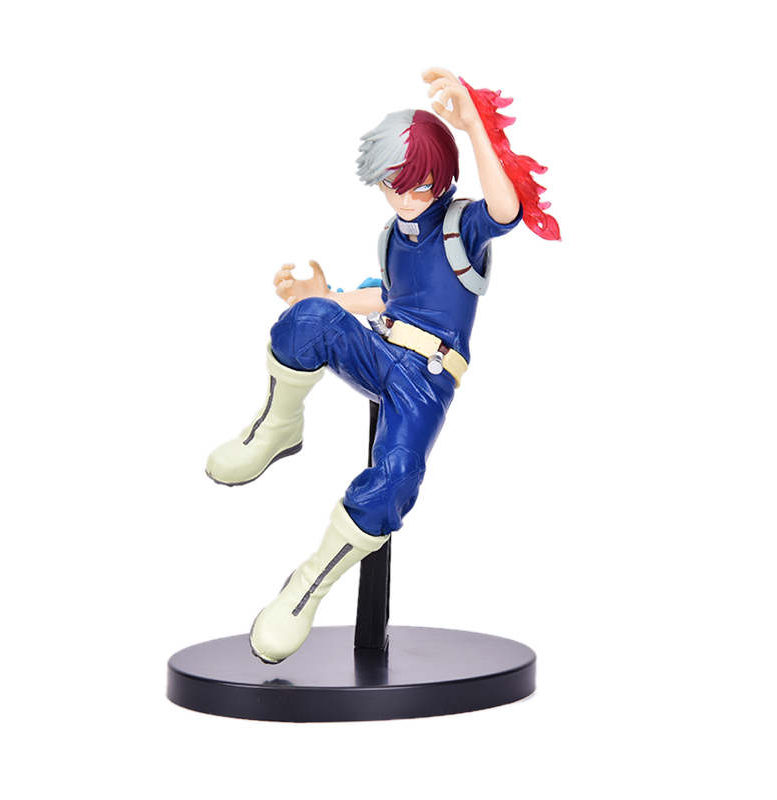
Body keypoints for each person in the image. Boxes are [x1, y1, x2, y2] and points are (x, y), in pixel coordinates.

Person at [206, 67, 555, 664]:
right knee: (308, 318)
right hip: (381, 350)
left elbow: (505, 209)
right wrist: (323, 298)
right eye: (393, 185)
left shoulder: (462, 226)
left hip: (426, 380)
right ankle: (277, 428)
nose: (406, 197)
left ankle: (306, 587)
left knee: (393, 481)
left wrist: (473, 125)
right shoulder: (392, 236)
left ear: (441, 179)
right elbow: (386, 301)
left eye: (418, 184)